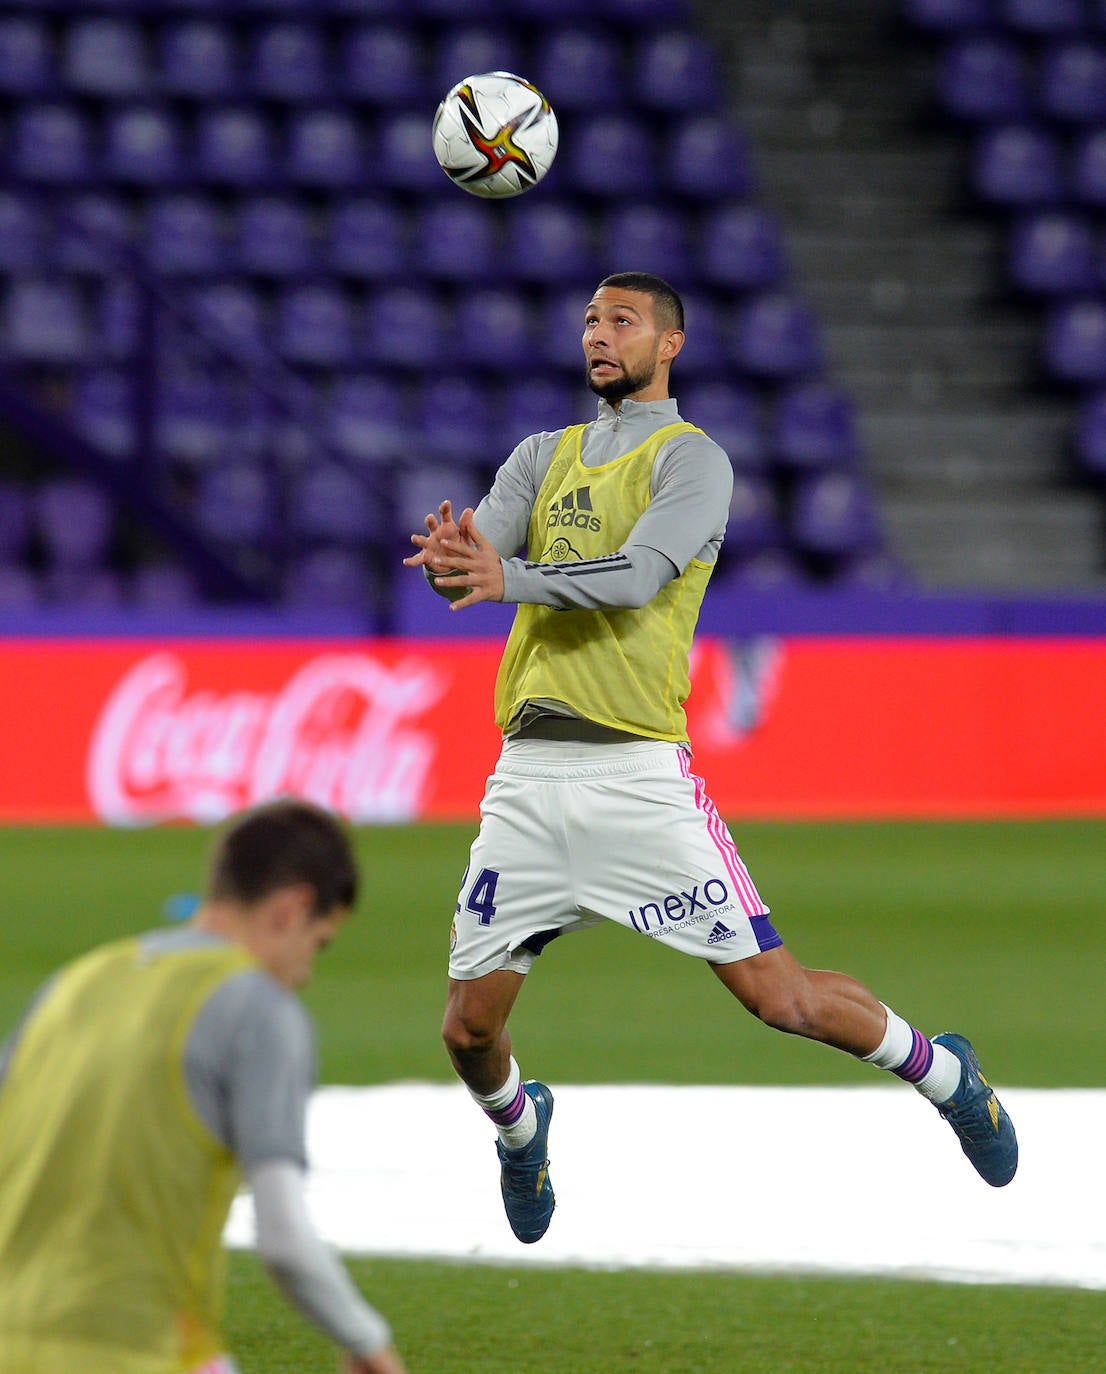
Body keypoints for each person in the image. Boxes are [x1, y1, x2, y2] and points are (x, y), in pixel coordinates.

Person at [404, 271, 1018, 1247]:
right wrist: (451, 564)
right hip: (525, 780)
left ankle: (945, 1075)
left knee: (781, 1001)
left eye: (621, 320)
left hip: (639, 777)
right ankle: (523, 1132)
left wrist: (503, 574)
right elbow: (473, 566)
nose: (598, 335)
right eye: (588, 321)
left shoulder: (692, 463)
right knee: (466, 1031)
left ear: (668, 343)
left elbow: (638, 574)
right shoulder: (539, 456)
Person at [0, 798, 407, 1374]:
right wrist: (366, 1340)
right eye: (319, 943)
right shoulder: (260, 1008)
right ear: (293, 909)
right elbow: (284, 1240)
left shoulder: (73, 982)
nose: (307, 972)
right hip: (139, 1352)